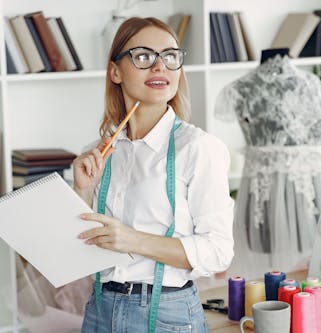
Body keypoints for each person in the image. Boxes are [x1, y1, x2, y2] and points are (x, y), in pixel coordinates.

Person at [73, 17, 234, 333]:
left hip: (166, 314)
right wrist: (81, 191)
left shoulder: (199, 148)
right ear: (115, 71)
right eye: (144, 56)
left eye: (170, 56)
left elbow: (219, 252)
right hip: (98, 309)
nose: (160, 66)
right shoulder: (98, 153)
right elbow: (79, 246)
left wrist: (133, 240)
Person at [215, 54, 321, 276]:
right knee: (268, 256)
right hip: (266, 186)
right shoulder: (240, 88)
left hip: (308, 185)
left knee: (318, 249)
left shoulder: (311, 84)